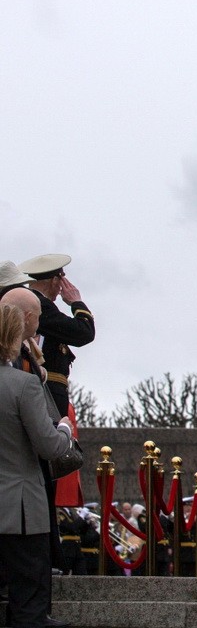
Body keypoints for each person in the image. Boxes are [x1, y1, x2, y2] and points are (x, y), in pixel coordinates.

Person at [0, 303, 73, 627]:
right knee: (28, 606)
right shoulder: (23, 384)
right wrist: (65, 431)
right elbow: (49, 446)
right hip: (20, 508)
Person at [17, 254, 95, 418]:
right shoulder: (38, 304)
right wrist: (77, 303)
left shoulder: (35, 303)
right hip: (45, 393)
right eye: (62, 278)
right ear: (55, 280)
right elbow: (83, 333)